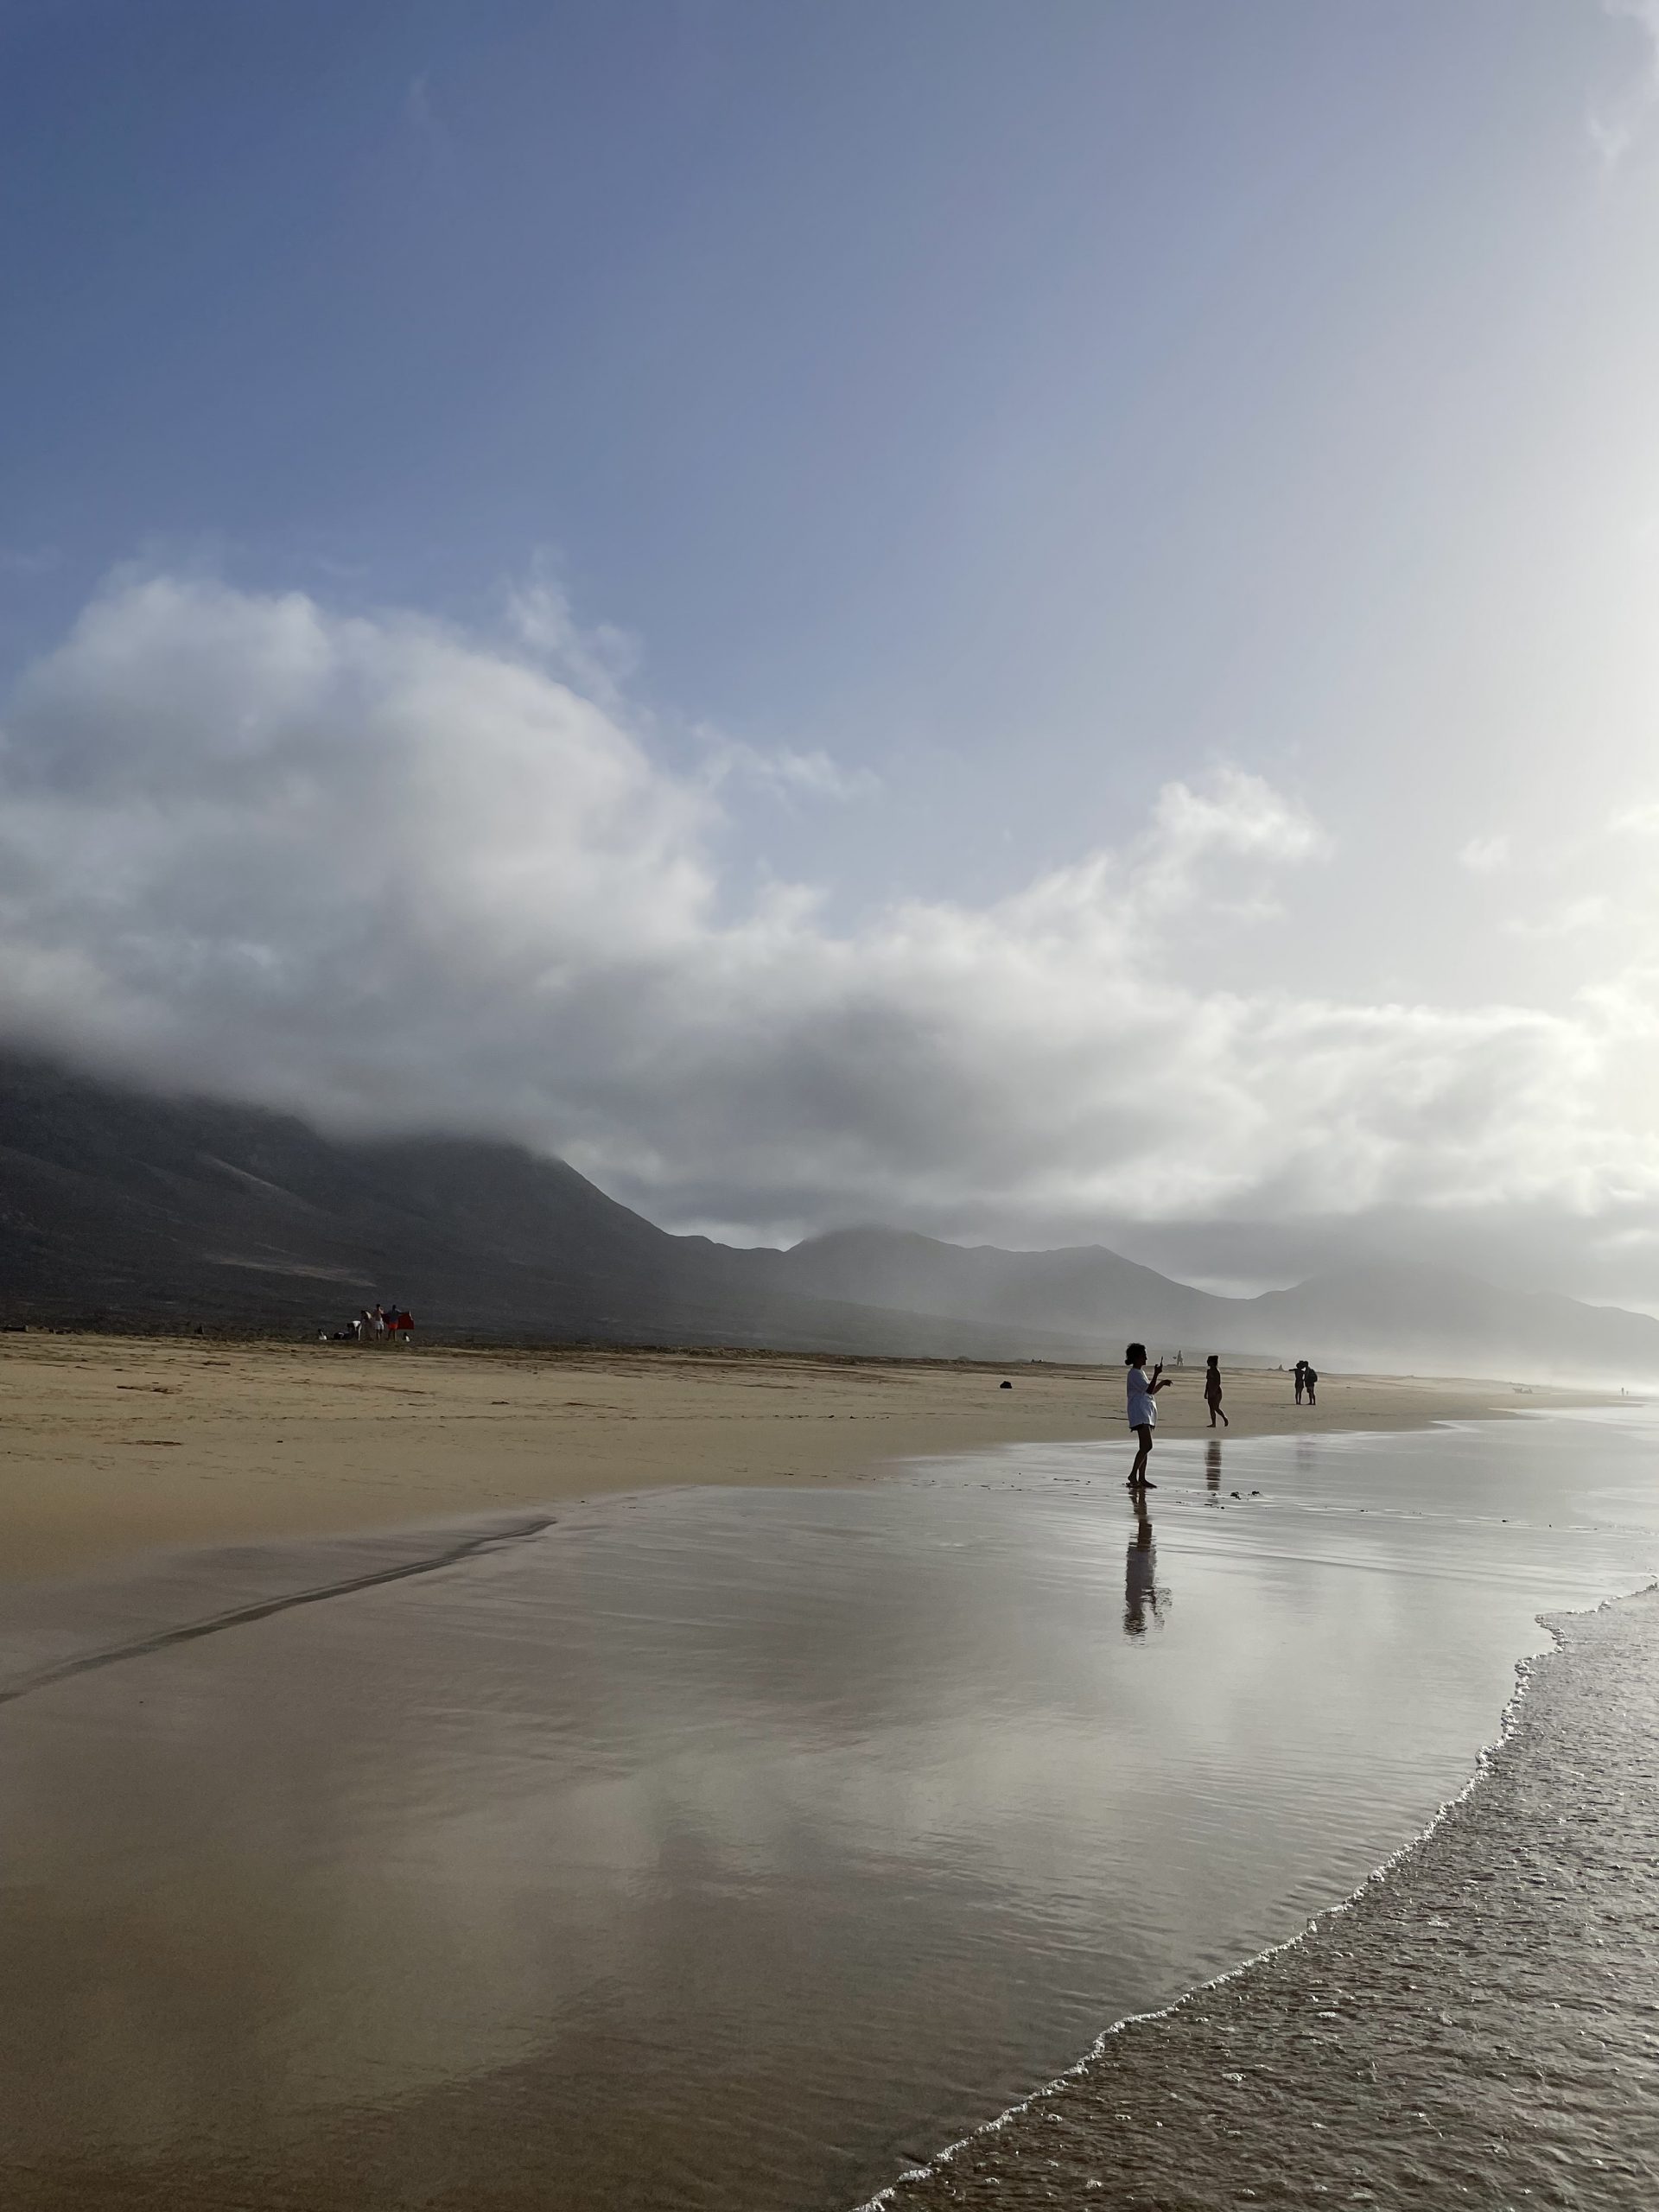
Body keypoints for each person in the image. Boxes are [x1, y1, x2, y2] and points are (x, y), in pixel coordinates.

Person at [1124, 1341, 1173, 1490]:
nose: (1146, 1358)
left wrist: (1162, 1382)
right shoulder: (1134, 1374)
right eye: (1144, 1355)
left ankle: (1142, 1478)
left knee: (1144, 1447)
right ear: (1138, 1357)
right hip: (1140, 1413)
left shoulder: (1140, 1373)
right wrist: (1157, 1375)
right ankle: (1133, 1475)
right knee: (1147, 1446)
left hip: (1146, 1412)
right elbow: (1149, 1390)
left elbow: (1149, 1390)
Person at [1204, 1352, 1229, 1428]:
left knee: (1216, 1407)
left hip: (1217, 1392)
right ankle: (1213, 1423)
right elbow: (1208, 1382)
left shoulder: (1216, 1372)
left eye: (1209, 1361)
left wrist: (1213, 1392)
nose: (1207, 1362)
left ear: (1213, 1362)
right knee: (1211, 1408)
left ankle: (1224, 1418)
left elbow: (1218, 1382)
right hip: (1210, 1391)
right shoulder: (1208, 1371)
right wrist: (1206, 1392)